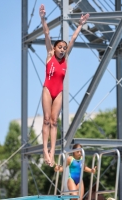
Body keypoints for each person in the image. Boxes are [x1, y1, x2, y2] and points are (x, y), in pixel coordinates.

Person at [39, 4, 90, 167]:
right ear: (54, 49)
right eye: (59, 47)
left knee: (54, 122)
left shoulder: (65, 60)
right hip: (47, 89)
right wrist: (42, 18)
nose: (62, 50)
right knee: (46, 120)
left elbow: (73, 39)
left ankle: (52, 152)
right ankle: (45, 151)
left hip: (58, 91)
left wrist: (80, 24)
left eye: (64, 48)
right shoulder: (49, 56)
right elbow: (46, 33)